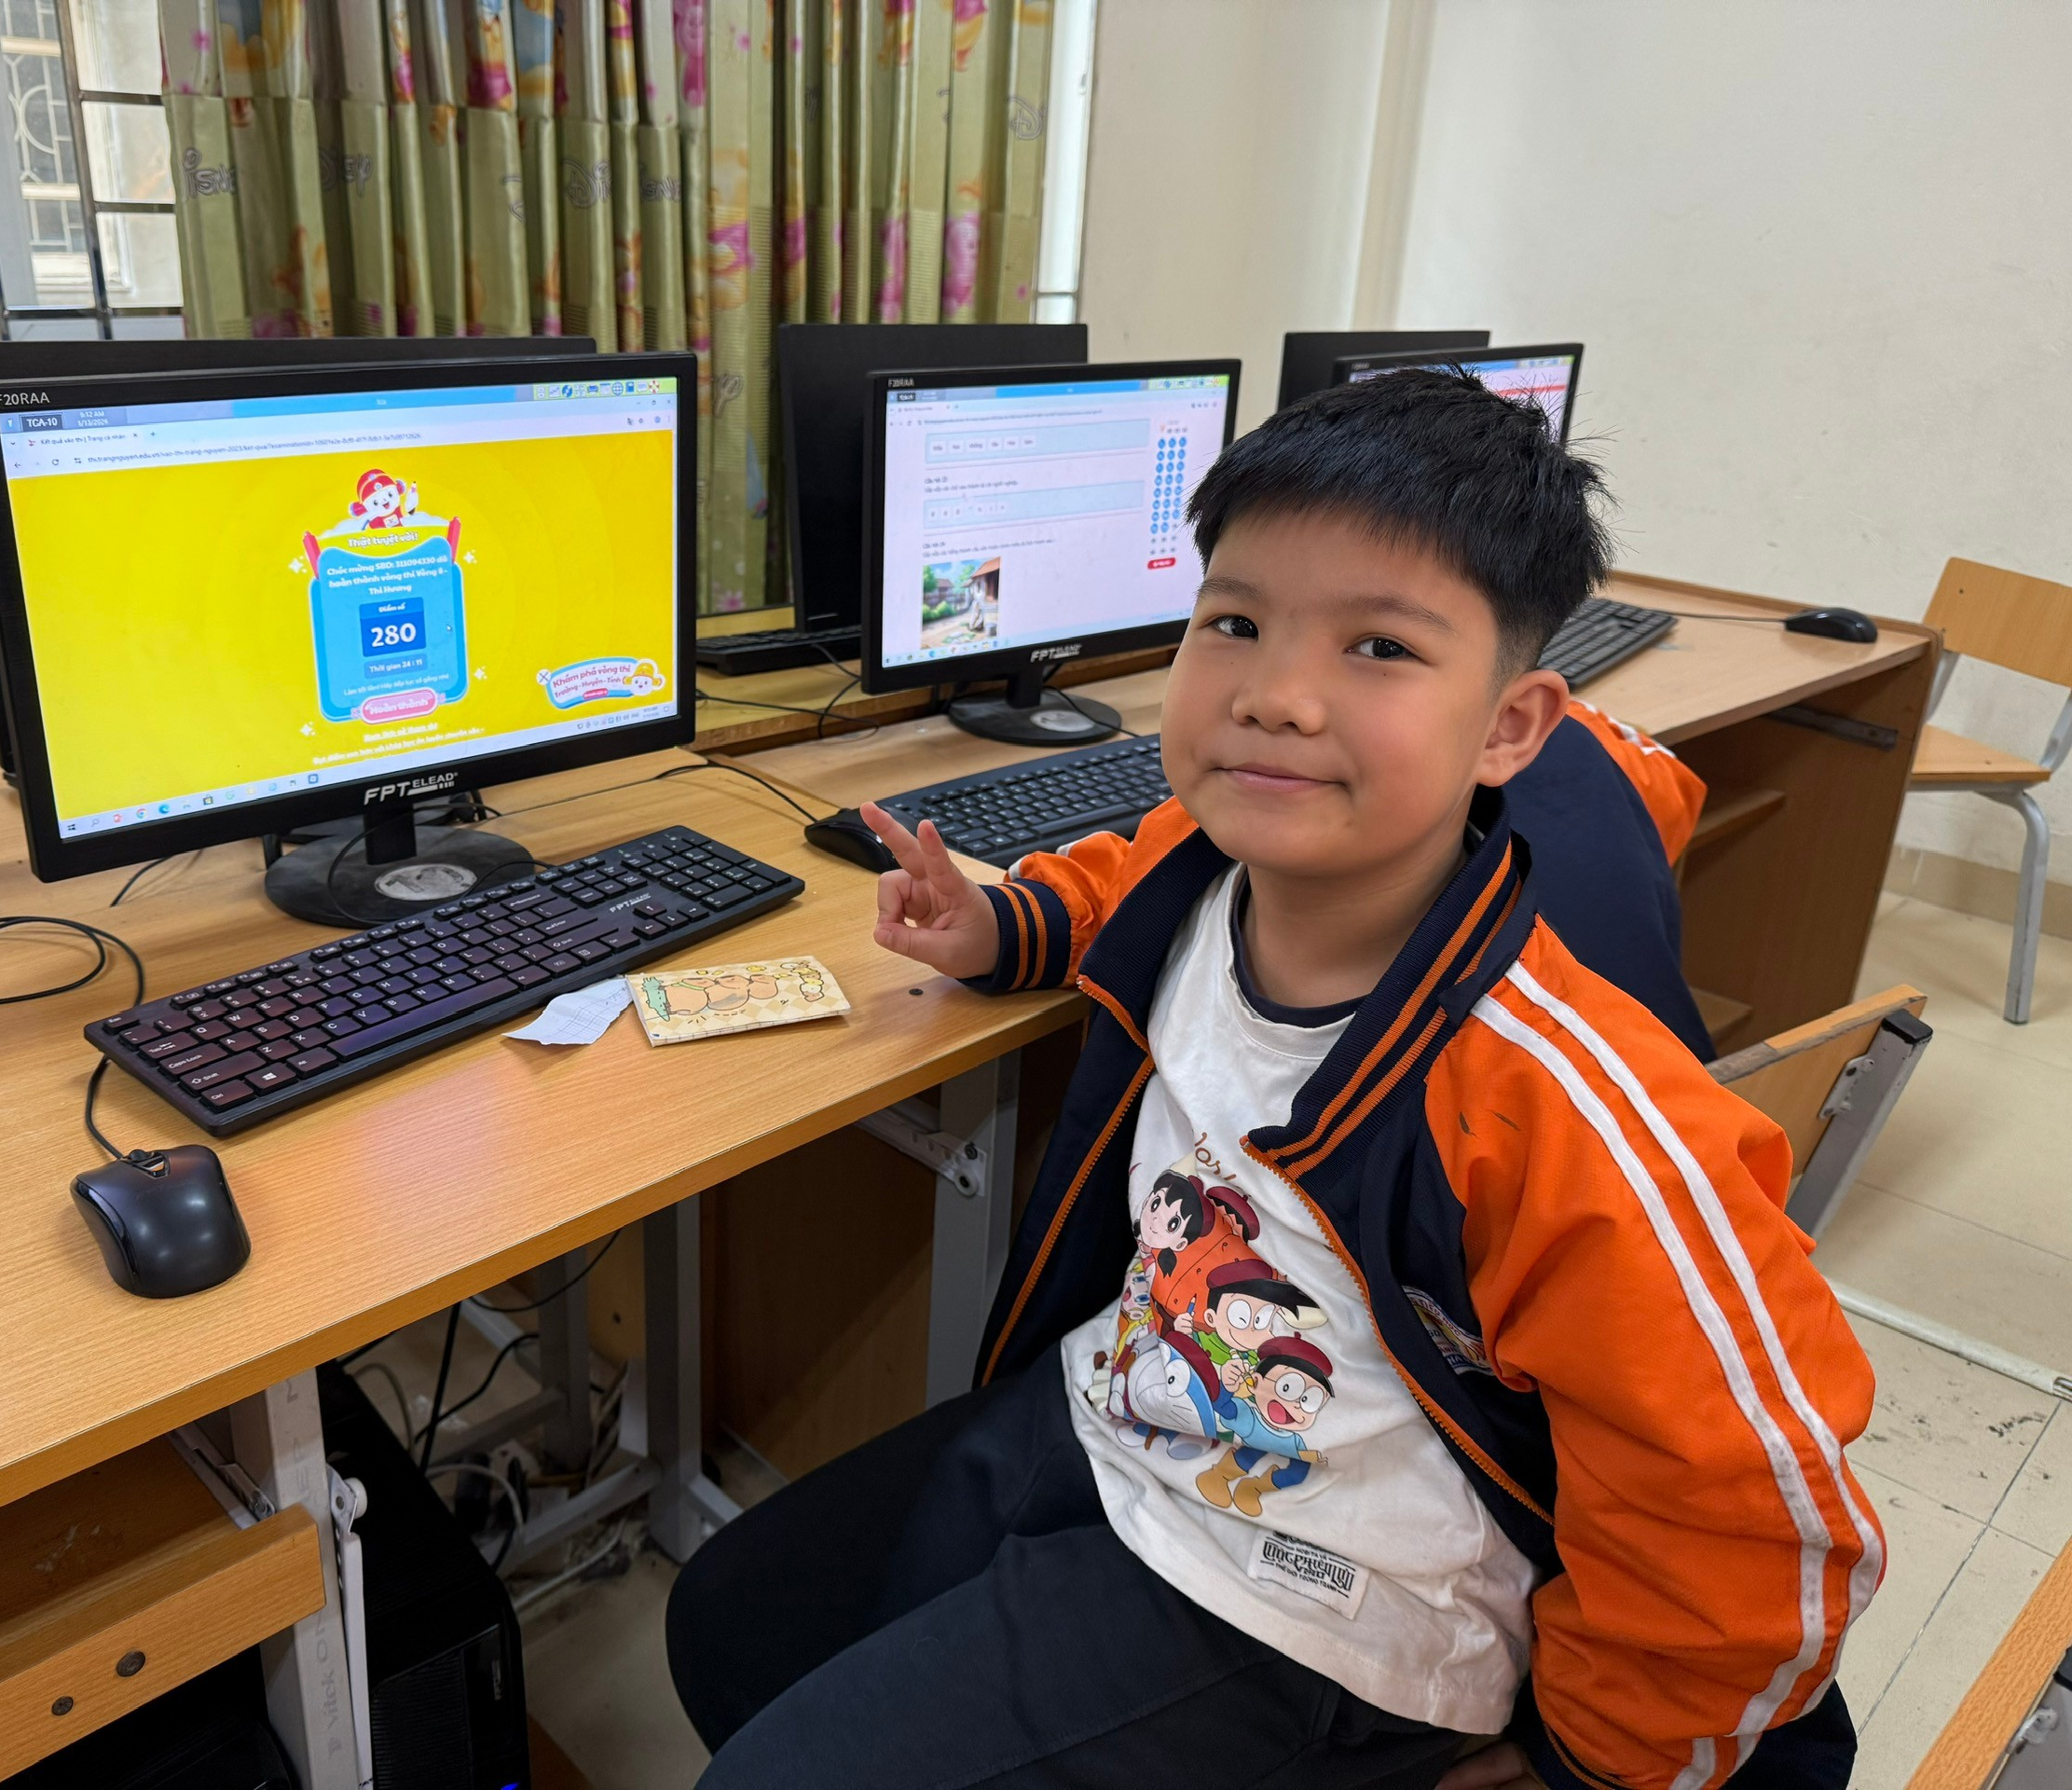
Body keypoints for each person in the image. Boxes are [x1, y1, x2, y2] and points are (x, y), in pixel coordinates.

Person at [666, 371, 1876, 1790]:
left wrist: (1583, 1770)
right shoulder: (1212, 875)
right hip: (1139, 1415)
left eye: (1378, 647)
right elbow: (1136, 867)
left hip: (1335, 1595)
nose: (1275, 697)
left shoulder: (1569, 1108)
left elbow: (1757, 1515)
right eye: (1233, 622)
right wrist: (1005, 924)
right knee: (730, 1631)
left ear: (1512, 726)